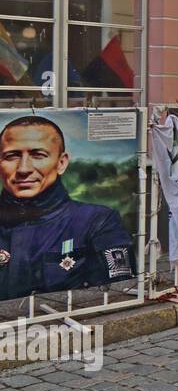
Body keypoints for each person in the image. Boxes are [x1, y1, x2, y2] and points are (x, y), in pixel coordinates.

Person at [0, 115, 134, 300]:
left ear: (61, 163)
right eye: (12, 156)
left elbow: (115, 295)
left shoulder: (97, 222)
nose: (24, 169)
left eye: (38, 155)